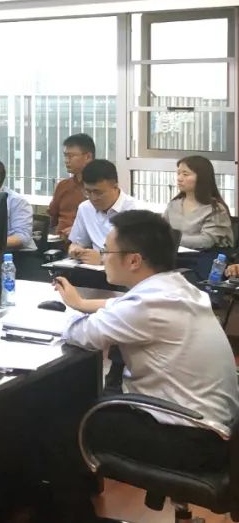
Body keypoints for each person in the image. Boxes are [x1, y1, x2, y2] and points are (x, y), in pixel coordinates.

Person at [55, 211, 239, 475]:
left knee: (63, 420)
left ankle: (70, 501)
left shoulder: (145, 306)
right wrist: (82, 303)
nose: (103, 258)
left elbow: (80, 334)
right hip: (216, 428)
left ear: (134, 260)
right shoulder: (180, 288)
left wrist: (70, 312)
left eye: (107, 251)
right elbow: (125, 305)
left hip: (189, 439)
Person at [67, 159, 139, 266]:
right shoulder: (85, 208)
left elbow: (139, 256)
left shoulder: (135, 211)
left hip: (122, 271)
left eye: (98, 192)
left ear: (115, 187)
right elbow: (77, 243)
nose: (93, 198)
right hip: (90, 268)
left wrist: (103, 259)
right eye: (88, 192)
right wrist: (75, 250)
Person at [162, 155, 233, 250]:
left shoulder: (215, 209)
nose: (179, 178)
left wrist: (171, 239)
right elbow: (161, 229)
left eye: (185, 174)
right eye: (178, 173)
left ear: (202, 177)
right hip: (175, 254)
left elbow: (206, 241)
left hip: (204, 256)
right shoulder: (173, 205)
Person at [49, 134, 95, 241]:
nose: (66, 160)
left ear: (88, 157)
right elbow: (52, 218)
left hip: (87, 243)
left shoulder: (99, 189)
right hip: (60, 242)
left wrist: (78, 231)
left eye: (70, 156)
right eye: (65, 156)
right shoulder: (63, 186)